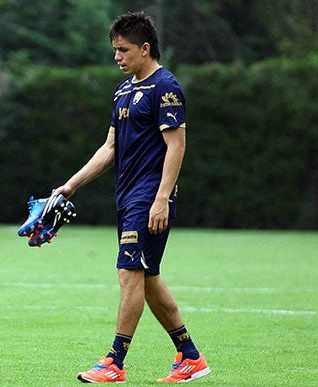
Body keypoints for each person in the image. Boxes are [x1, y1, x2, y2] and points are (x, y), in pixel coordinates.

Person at [52, 12, 211, 383]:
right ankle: (190, 356)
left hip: (148, 197)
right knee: (147, 276)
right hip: (127, 196)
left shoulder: (165, 87)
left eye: (123, 50)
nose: (117, 57)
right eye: (114, 50)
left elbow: (177, 146)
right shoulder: (123, 91)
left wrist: (161, 198)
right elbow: (110, 148)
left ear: (144, 48)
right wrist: (71, 184)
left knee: (129, 271)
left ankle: (114, 361)